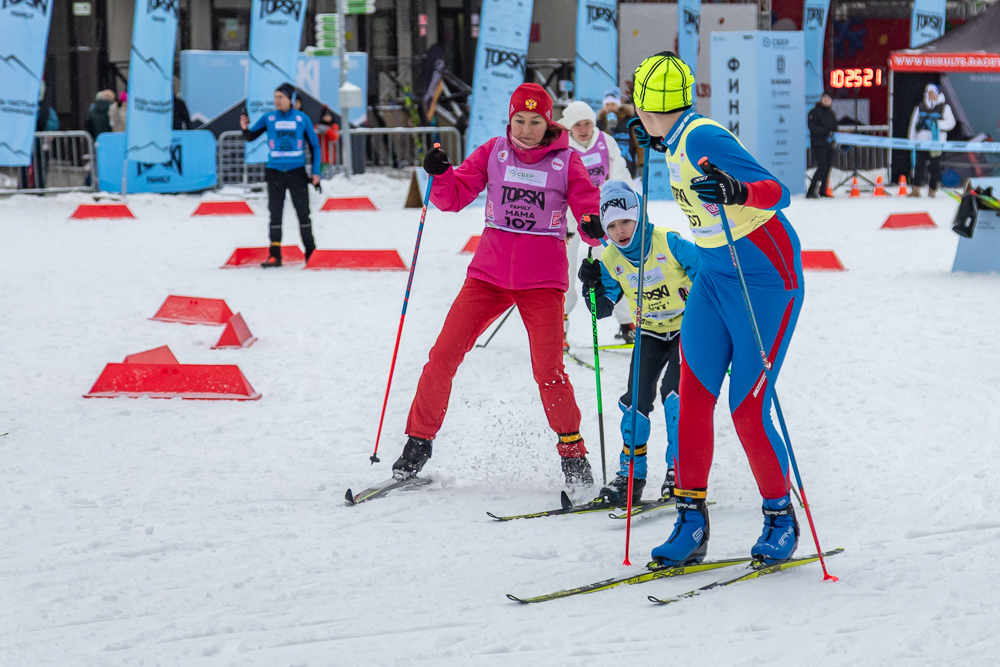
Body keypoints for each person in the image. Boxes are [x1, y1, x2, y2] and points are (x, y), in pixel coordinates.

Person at [629, 52, 805, 566]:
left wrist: (738, 189)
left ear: (643, 103)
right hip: (713, 275)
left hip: (765, 280)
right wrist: (659, 140)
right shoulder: (673, 137)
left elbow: (780, 193)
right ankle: (691, 521)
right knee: (691, 397)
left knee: (748, 406)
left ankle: (780, 518)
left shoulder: (702, 136)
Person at [391, 83, 603, 491]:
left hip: (542, 282)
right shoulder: (493, 152)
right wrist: (440, 173)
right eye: (518, 121)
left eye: (535, 122)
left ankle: (574, 456)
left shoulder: (566, 162)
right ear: (509, 120)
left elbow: (587, 206)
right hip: (487, 277)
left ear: (548, 123)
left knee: (549, 372)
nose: (525, 130)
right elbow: (453, 198)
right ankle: (418, 443)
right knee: (442, 357)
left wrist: (592, 224)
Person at [578, 180, 700, 505]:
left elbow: (707, 272)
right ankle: (631, 476)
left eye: (626, 222)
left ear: (639, 216)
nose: (620, 231)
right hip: (649, 332)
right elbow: (601, 310)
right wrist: (589, 285)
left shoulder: (668, 242)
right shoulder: (610, 257)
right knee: (634, 403)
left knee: (674, 396)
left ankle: (678, 470)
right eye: (612, 225)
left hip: (687, 330)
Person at [557, 101, 637, 346]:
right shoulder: (561, 146)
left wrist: (620, 212)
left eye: (588, 123)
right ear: (569, 127)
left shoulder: (604, 141)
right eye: (577, 125)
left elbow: (620, 175)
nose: (583, 129)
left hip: (601, 218)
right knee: (565, 274)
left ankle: (627, 322)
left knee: (616, 265)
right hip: (569, 219)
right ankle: (560, 328)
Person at [240, 82, 322, 267]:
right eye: (275, 97)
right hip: (275, 172)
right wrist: (245, 128)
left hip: (297, 172)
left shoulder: (302, 119)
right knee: (275, 214)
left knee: (303, 213)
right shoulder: (269, 118)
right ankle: (274, 255)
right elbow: (251, 137)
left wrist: (316, 172)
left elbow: (315, 146)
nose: (276, 100)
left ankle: (311, 253)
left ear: (290, 99)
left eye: (281, 97)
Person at [908, 83, 955, 198]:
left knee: (935, 167)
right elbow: (913, 124)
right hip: (921, 143)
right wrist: (911, 140)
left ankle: (932, 190)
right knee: (919, 166)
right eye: (928, 93)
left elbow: (951, 123)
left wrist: (936, 124)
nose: (930, 95)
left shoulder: (944, 107)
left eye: (932, 93)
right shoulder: (920, 107)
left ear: (937, 94)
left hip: (936, 144)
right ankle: (916, 189)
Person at [596, 88, 639, 179]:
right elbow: (597, 144)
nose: (610, 107)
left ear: (618, 104)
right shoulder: (600, 122)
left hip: (628, 168)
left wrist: (641, 164)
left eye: (613, 104)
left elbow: (638, 144)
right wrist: (608, 130)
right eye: (607, 104)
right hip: (608, 170)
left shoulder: (629, 120)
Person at [807, 92, 837, 199]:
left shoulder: (831, 113)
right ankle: (811, 190)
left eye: (828, 98)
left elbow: (834, 127)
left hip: (829, 144)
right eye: (824, 98)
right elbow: (812, 127)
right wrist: (825, 131)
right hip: (818, 144)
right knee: (822, 167)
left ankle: (823, 190)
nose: (826, 100)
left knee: (827, 167)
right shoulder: (814, 112)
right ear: (821, 99)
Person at [316, 106, 340, 176]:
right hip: (320, 155)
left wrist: (327, 130)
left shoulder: (334, 126)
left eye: (328, 116)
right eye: (325, 116)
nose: (327, 118)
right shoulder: (318, 126)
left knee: (328, 175)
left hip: (329, 156)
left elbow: (334, 137)